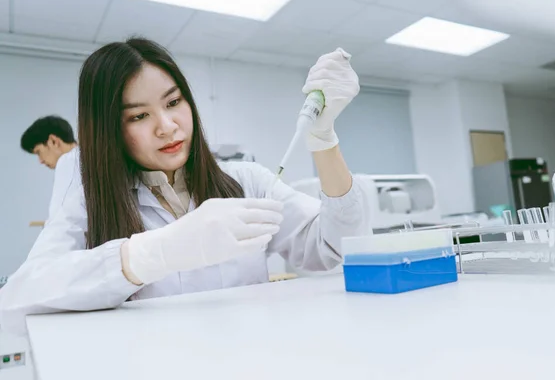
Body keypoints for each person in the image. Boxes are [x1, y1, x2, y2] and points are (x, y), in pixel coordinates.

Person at [0, 38, 371, 334]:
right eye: (139, 116)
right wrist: (151, 253)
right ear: (109, 129)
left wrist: (323, 140)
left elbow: (336, 249)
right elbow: (18, 301)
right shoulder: (91, 200)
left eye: (173, 102)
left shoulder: (246, 181)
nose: (167, 126)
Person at [21, 115, 81, 219]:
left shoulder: (68, 162)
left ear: (54, 141)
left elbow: (63, 222)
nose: (40, 161)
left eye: (38, 152)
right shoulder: (85, 159)